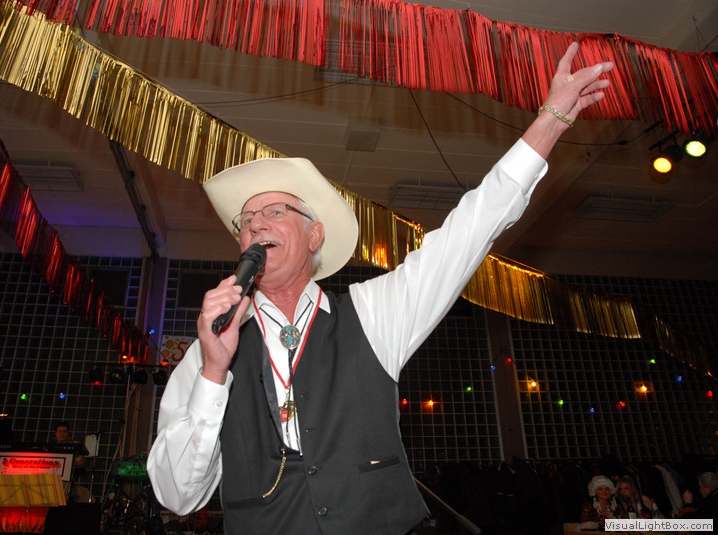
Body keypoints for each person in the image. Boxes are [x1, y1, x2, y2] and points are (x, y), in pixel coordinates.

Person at [146, 41, 614, 535]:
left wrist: (549, 122)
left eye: (275, 212)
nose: (256, 225)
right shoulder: (209, 349)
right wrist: (214, 372)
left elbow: (465, 235)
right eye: (246, 221)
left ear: (314, 235)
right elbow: (178, 497)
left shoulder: (371, 313)